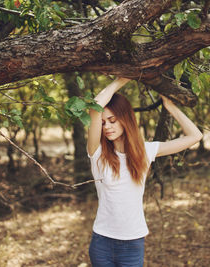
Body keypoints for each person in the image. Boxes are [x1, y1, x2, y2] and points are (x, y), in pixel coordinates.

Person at [87, 77, 203, 267]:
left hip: (133, 243)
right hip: (102, 243)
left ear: (125, 119)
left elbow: (195, 136)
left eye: (112, 120)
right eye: (103, 123)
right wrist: (122, 79)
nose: (106, 127)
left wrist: (171, 108)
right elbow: (95, 108)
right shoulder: (97, 153)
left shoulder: (145, 151)